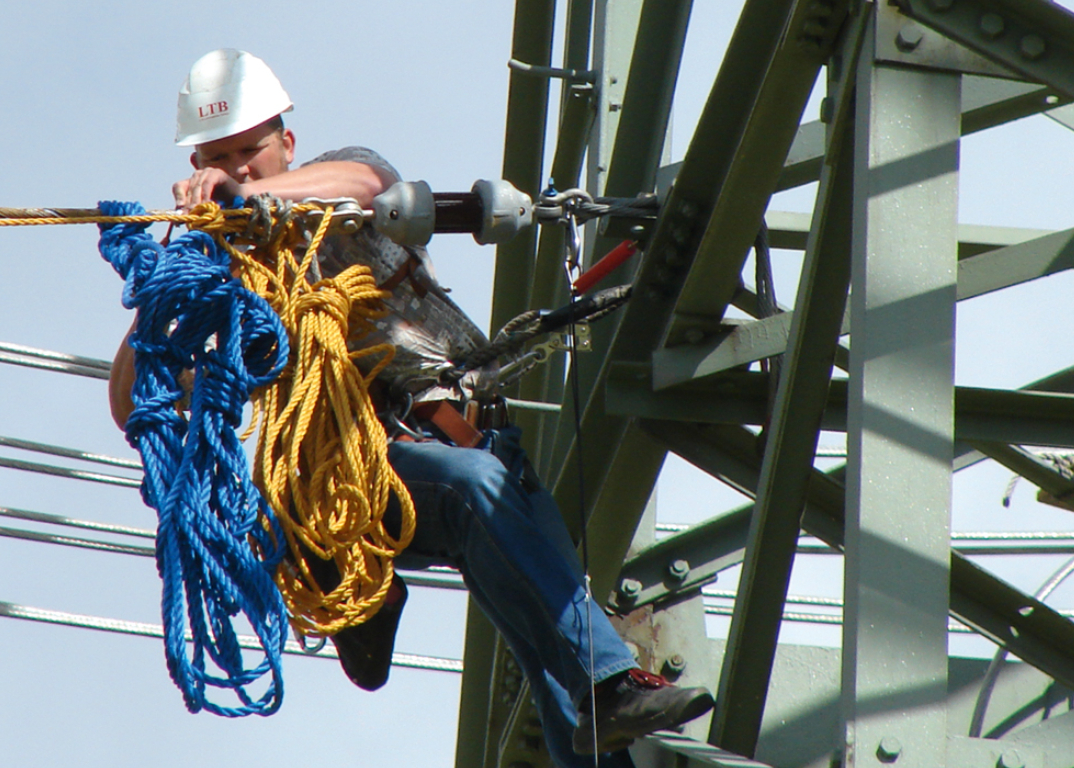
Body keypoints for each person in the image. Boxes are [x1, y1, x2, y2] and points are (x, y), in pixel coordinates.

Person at [110, 49, 714, 765]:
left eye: (252, 151)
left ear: (286, 144)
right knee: (478, 497)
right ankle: (607, 681)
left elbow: (370, 183)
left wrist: (258, 204)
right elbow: (130, 399)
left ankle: (597, 708)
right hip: (371, 469)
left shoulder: (338, 187)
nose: (240, 170)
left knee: (548, 633)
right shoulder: (228, 277)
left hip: (480, 436)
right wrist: (174, 276)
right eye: (221, 158)